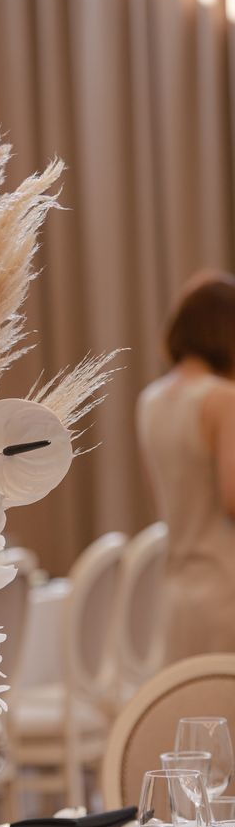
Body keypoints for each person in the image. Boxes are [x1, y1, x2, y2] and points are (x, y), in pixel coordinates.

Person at [136, 270, 235, 663]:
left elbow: (157, 496)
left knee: (188, 715)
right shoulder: (223, 398)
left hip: (177, 590)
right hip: (226, 585)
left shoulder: (151, 400)